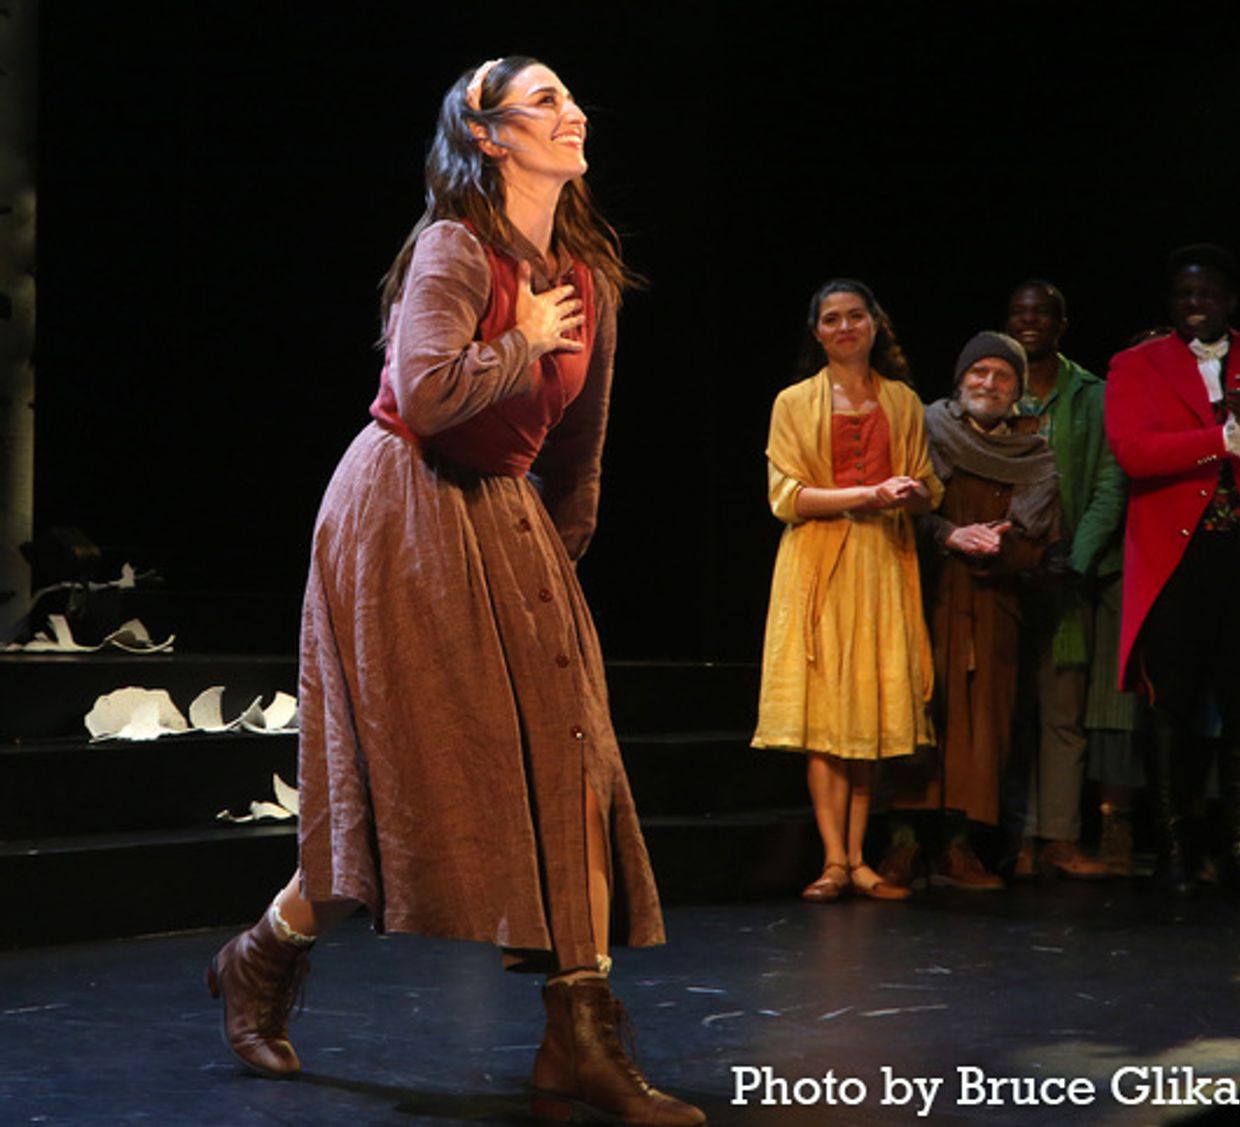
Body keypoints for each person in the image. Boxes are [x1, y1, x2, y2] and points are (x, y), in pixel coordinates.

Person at [204, 57, 704, 1127]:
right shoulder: (453, 247)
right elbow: (423, 396)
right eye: (544, 102)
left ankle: (577, 1035)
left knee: (572, 756)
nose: (572, 112)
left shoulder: (588, 273)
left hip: (504, 516)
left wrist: (551, 564)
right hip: (402, 511)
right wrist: (520, 342)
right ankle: (264, 954)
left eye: (573, 99)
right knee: (402, 779)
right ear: (489, 137)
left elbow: (581, 448)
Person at [1104, 244, 1240, 899]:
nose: (1193, 306)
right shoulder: (1136, 363)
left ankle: (1238, 852)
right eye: (1182, 296)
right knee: (1168, 706)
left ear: (1231, 301)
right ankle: (1174, 850)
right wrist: (1220, 440)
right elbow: (1134, 452)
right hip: (1178, 558)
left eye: (1206, 295)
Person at [753, 279, 940, 903]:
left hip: (882, 562)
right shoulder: (793, 402)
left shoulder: (903, 401)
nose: (844, 327)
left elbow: (925, 484)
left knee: (870, 712)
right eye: (831, 319)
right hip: (818, 564)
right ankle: (833, 859)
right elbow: (787, 497)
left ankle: (861, 859)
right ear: (817, 333)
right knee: (826, 714)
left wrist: (912, 493)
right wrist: (868, 494)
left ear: (874, 324)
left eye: (855, 316)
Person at [883, 332, 1061, 890]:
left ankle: (958, 850)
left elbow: (1039, 539)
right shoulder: (927, 432)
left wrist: (999, 547)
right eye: (979, 373)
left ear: (1017, 393)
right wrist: (951, 535)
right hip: (928, 594)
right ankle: (903, 846)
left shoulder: (1035, 456)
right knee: (918, 715)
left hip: (992, 602)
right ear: (960, 383)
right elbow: (905, 510)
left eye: (1002, 376)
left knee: (982, 727)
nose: (989, 383)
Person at [1003, 280, 1125, 879]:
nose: (1030, 322)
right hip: (1001, 576)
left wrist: (1074, 557)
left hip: (1069, 576)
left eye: (1042, 313)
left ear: (1061, 323)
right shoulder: (993, 384)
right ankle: (1016, 840)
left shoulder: (1092, 395)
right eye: (1020, 313)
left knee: (1062, 713)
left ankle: (1060, 838)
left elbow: (1109, 482)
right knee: (1009, 714)